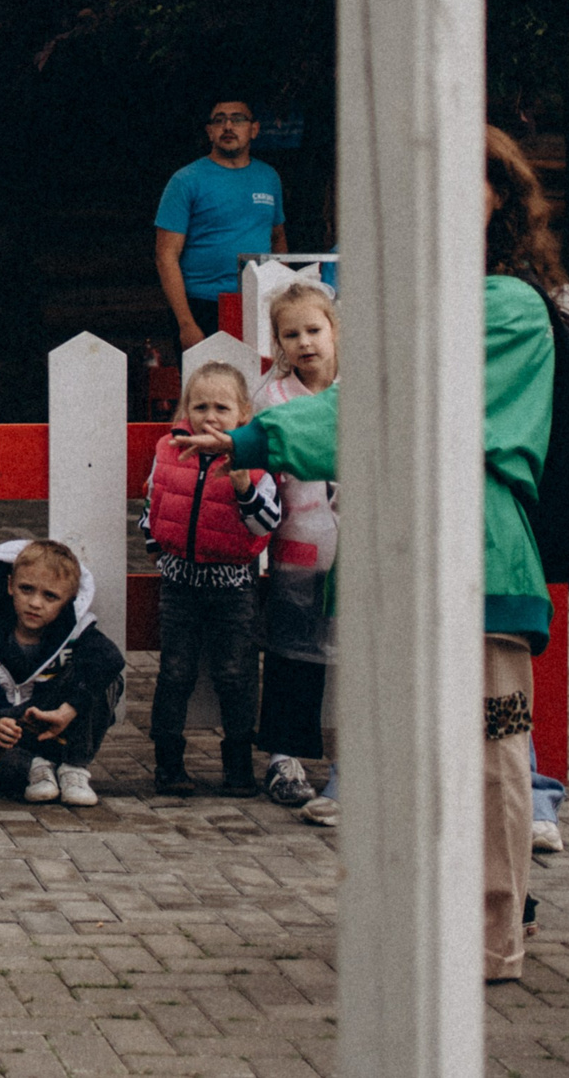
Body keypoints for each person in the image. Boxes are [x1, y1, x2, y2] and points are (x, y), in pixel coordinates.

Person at [178, 125, 557, 982]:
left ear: (500, 200)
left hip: (478, 560)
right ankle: (415, 924)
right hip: (392, 562)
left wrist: (256, 437)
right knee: (398, 756)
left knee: (488, 751)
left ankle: (491, 938)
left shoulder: (504, 308)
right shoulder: (412, 303)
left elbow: (393, 409)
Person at [142, 361, 280, 796]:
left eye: (221, 407)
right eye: (200, 406)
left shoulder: (254, 459)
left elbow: (266, 524)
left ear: (242, 413)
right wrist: (157, 545)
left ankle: (239, 765)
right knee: (174, 672)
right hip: (180, 583)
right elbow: (154, 501)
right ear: (186, 409)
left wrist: (243, 486)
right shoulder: (169, 448)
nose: (209, 417)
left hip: (233, 585)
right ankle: (168, 763)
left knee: (236, 673)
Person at [0, 539, 126, 807]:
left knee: (106, 678)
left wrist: (67, 710)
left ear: (68, 601)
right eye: (26, 589)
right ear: (10, 586)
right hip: (6, 737)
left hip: (58, 727)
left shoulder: (77, 635)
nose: (35, 603)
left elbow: (111, 659)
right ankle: (32, 770)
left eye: (50, 596)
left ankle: (73, 770)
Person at [250, 281, 340, 814]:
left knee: (364, 652)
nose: (304, 342)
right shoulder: (273, 397)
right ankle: (285, 757)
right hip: (299, 544)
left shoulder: (361, 385)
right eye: (291, 334)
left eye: (313, 329)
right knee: (293, 652)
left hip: (361, 546)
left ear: (334, 329)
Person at [153, 97, 288, 353]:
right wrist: (186, 322)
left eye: (237, 119)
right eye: (219, 120)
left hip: (259, 303)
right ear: (210, 131)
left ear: (254, 129)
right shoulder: (185, 180)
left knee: (261, 388)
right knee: (209, 390)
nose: (228, 126)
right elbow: (165, 256)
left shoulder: (269, 177)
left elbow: (278, 238)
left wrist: (281, 298)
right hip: (202, 304)